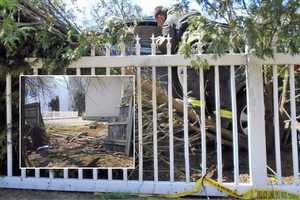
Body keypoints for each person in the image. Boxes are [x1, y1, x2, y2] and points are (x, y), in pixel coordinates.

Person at [154, 6, 199, 98]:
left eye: (157, 22)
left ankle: (195, 111)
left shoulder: (168, 22)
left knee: (194, 99)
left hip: (191, 56)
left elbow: (170, 47)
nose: (158, 25)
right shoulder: (186, 12)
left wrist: (159, 41)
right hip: (209, 52)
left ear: (160, 17)